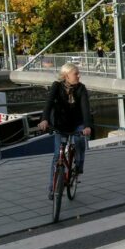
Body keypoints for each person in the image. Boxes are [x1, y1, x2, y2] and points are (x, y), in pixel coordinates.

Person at [38, 63, 92, 199]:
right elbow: (49, 103)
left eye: (78, 73)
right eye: (76, 73)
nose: (79, 75)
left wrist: (87, 126)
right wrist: (44, 119)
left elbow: (85, 108)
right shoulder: (57, 86)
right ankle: (52, 188)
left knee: (79, 142)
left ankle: (78, 166)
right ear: (66, 76)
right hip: (61, 125)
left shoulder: (81, 88)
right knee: (57, 156)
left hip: (77, 123)